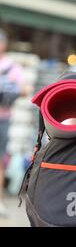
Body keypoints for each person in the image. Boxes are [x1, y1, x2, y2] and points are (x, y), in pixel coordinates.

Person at [0, 29, 26, 218]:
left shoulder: (12, 67)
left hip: (3, 118)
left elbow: (25, 90)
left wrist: (8, 89)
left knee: (0, 159)